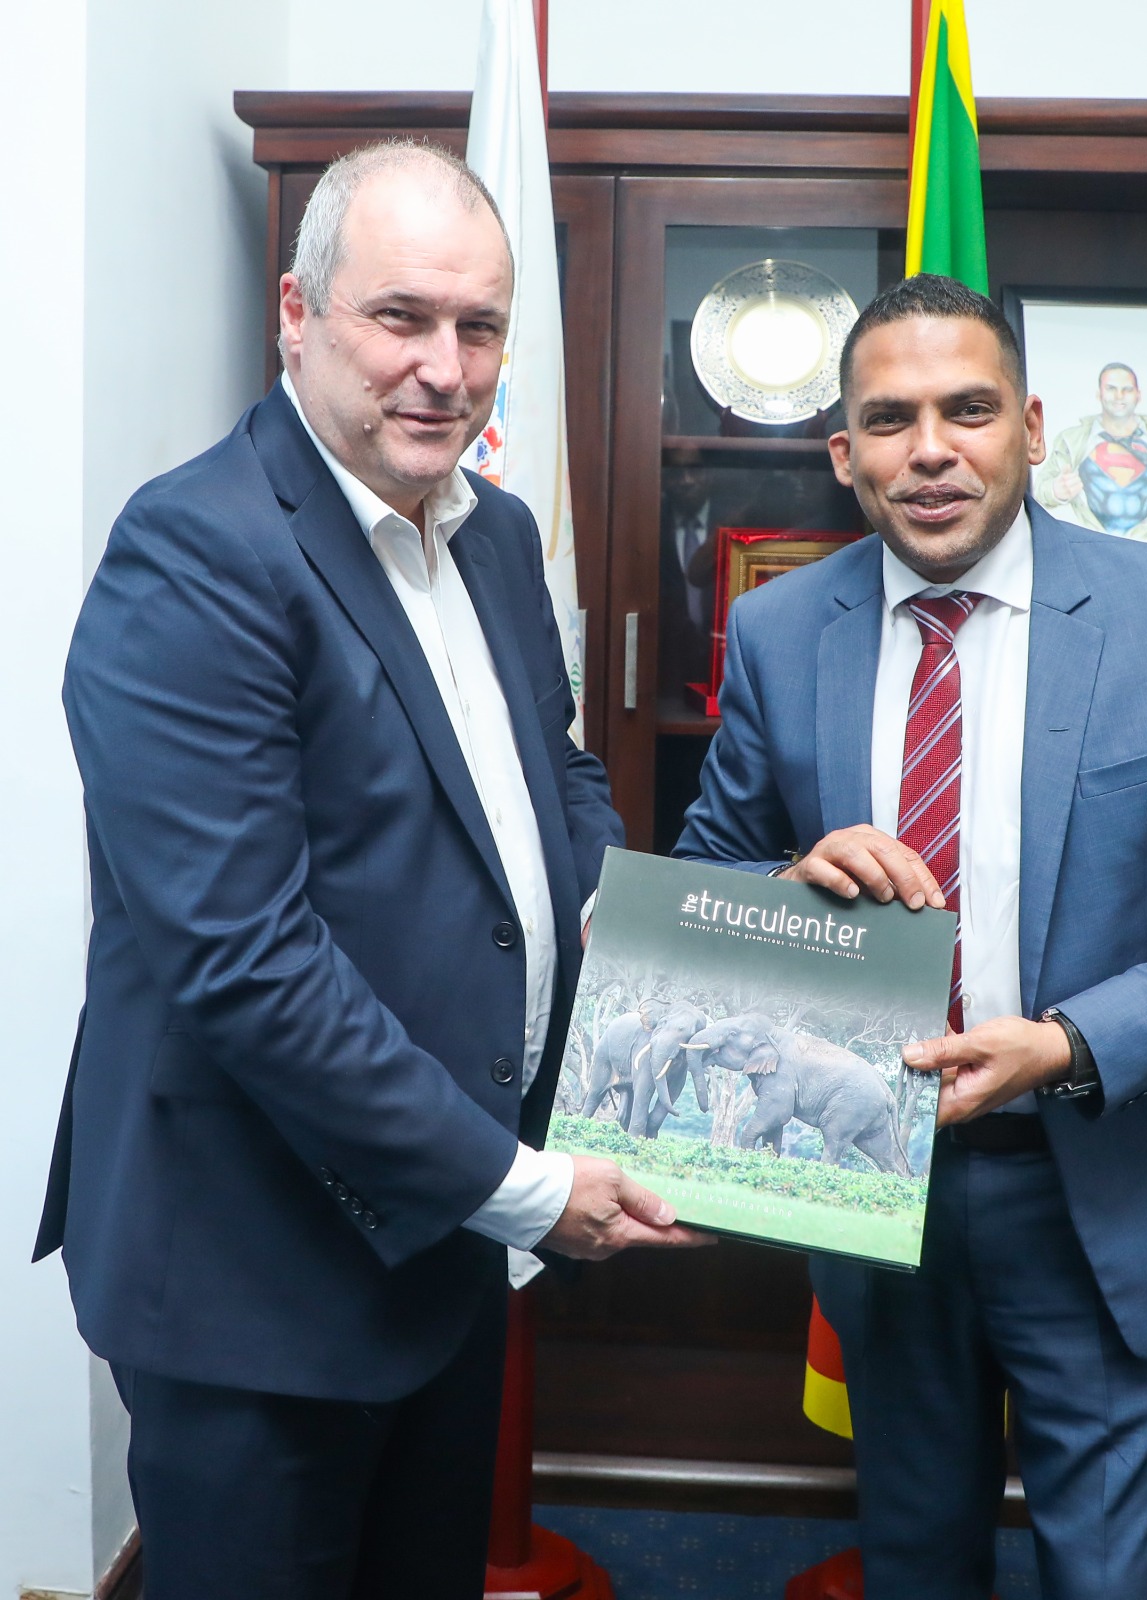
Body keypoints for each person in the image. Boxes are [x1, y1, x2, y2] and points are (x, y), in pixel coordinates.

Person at [34, 139, 704, 1600]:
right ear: (298, 313)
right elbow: (244, 963)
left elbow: (554, 775)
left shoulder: (494, 532)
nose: (445, 371)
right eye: (400, 317)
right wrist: (523, 1187)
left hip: (442, 1241)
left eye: (480, 328)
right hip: (258, 1269)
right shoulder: (197, 552)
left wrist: (648, 925)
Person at [674, 274, 1147, 1598]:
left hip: (1105, 1176)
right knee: (916, 1557)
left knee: (1105, 1575)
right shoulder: (780, 628)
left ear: (1032, 428)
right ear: (844, 455)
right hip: (874, 1173)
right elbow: (709, 879)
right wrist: (792, 878)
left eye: (968, 409)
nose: (932, 448)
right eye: (891, 420)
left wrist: (1069, 1044)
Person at [1035, 360, 1147, 540]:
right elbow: (1038, 490)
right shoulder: (1071, 440)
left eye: (1127, 389)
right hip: (1090, 548)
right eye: (1111, 388)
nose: (1119, 396)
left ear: (1138, 395)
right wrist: (1056, 491)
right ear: (1099, 394)